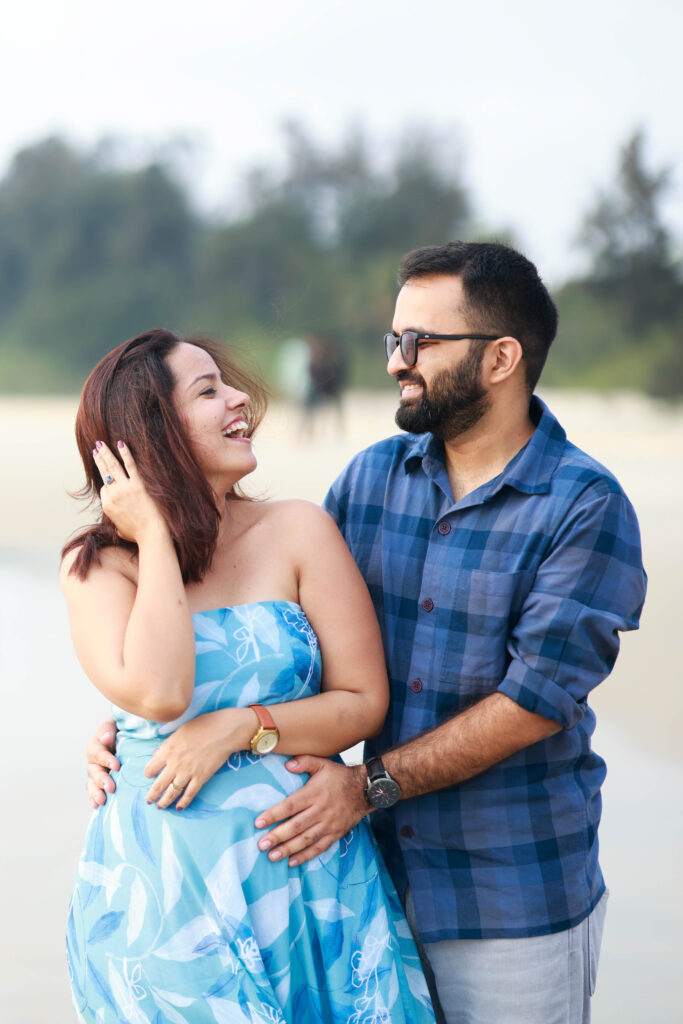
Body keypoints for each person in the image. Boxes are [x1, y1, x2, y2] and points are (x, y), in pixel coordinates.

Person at [87, 242, 647, 1024]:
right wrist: (134, 730)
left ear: (500, 358)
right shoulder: (370, 479)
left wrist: (363, 786)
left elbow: (532, 704)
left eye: (419, 342)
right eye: (393, 339)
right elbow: (290, 648)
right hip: (351, 880)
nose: (394, 362)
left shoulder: (583, 506)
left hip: (506, 890)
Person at [63, 329, 435, 1024]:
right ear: (153, 432)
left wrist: (241, 726)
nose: (241, 399)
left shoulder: (297, 530)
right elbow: (161, 693)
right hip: (169, 902)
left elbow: (362, 701)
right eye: (209, 391)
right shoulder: (99, 567)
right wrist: (154, 537)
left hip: (312, 882)